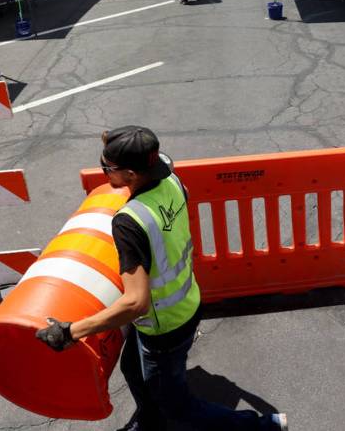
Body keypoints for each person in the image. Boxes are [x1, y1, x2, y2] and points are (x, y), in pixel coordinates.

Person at [36, 126, 287, 431]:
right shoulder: (168, 177)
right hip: (187, 301)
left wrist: (72, 331)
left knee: (179, 408)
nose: (104, 173)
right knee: (132, 368)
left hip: (164, 326)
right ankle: (150, 421)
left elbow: (136, 302)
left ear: (129, 174)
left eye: (106, 169)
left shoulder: (130, 223)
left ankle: (262, 426)